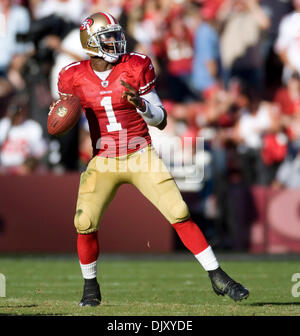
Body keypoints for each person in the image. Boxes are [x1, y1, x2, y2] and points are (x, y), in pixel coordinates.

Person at [53, 12, 249, 307]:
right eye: (108, 37)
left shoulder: (135, 65)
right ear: (91, 42)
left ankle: (218, 276)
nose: (116, 41)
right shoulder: (73, 76)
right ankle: (90, 287)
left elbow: (161, 119)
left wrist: (141, 104)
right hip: (103, 158)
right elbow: (63, 118)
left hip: (139, 153)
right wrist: (57, 121)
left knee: (178, 210)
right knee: (84, 221)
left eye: (116, 35)